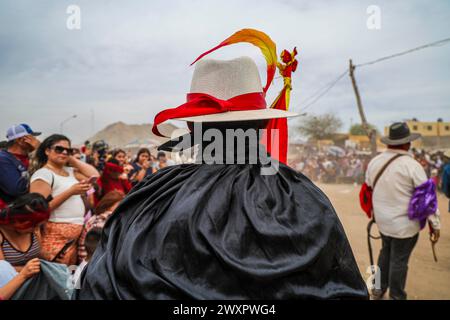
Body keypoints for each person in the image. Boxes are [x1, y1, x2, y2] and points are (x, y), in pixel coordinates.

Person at [78, 43, 368, 299]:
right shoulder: (301, 195)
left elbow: (101, 283)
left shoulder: (150, 197)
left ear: (191, 125)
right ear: (264, 124)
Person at [366, 122, 441, 300]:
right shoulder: (412, 166)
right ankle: (397, 296)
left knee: (385, 253)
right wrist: (435, 225)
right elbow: (427, 200)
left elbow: (368, 188)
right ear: (407, 143)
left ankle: (378, 289)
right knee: (399, 260)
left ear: (389, 142)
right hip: (404, 225)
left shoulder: (375, 162)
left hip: (383, 222)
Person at [30, 134, 99, 265]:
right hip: (54, 237)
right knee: (55, 278)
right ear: (47, 150)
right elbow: (36, 211)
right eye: (59, 149)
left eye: (68, 150)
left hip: (73, 238)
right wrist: (71, 192)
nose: (64, 152)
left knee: (68, 279)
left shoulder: (70, 171)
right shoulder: (43, 174)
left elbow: (94, 174)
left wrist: (70, 159)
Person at [0, 124, 41, 206]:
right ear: (21, 140)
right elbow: (18, 189)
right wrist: (39, 152)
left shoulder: (30, 157)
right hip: (13, 212)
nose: (36, 141)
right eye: (32, 138)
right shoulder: (3, 159)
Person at [78, 190, 124, 261]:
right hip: (92, 261)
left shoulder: (94, 218)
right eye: (119, 205)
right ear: (108, 205)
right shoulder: (103, 220)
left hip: (86, 259)